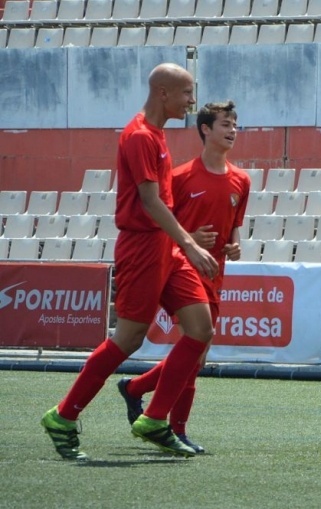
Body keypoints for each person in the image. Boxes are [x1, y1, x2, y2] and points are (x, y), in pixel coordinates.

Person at [41, 63, 219, 460]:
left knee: (200, 329)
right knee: (128, 339)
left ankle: (155, 419)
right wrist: (189, 244)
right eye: (187, 93)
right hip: (142, 247)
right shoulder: (139, 135)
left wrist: (182, 245)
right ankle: (63, 416)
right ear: (163, 93)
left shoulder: (155, 134)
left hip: (165, 248)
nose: (192, 101)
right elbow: (149, 201)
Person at [116, 100, 250, 454]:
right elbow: (163, 222)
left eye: (235, 124)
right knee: (195, 351)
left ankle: (135, 389)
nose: (233, 130)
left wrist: (234, 246)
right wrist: (191, 238)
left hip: (214, 272)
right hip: (181, 267)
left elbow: (234, 225)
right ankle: (174, 427)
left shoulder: (242, 179)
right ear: (206, 129)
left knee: (197, 356)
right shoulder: (180, 176)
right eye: (225, 124)